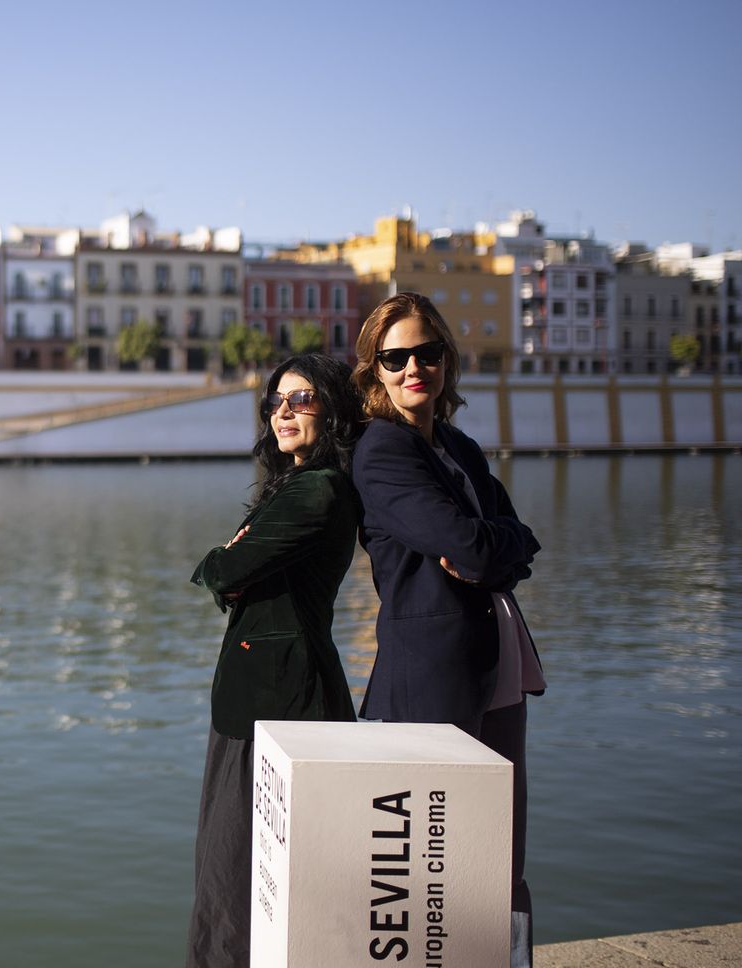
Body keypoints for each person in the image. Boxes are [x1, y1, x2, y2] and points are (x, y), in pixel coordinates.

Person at [349, 291, 546, 967]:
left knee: (503, 849)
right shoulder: (381, 451)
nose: (414, 368)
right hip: (432, 676)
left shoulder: (457, 445)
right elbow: (471, 545)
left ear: (446, 361)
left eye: (427, 353)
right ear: (375, 369)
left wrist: (497, 547)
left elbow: (514, 542)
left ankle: (510, 960)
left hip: (497, 661)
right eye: (395, 357)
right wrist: (493, 547)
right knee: (441, 863)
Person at [185, 353, 364, 968]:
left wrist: (223, 561)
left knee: (236, 876)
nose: (283, 412)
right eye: (276, 402)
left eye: (301, 399)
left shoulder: (318, 488)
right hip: (266, 698)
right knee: (240, 873)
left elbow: (223, 570)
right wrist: (233, 566)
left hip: (278, 704)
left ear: (331, 410)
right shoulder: (295, 485)